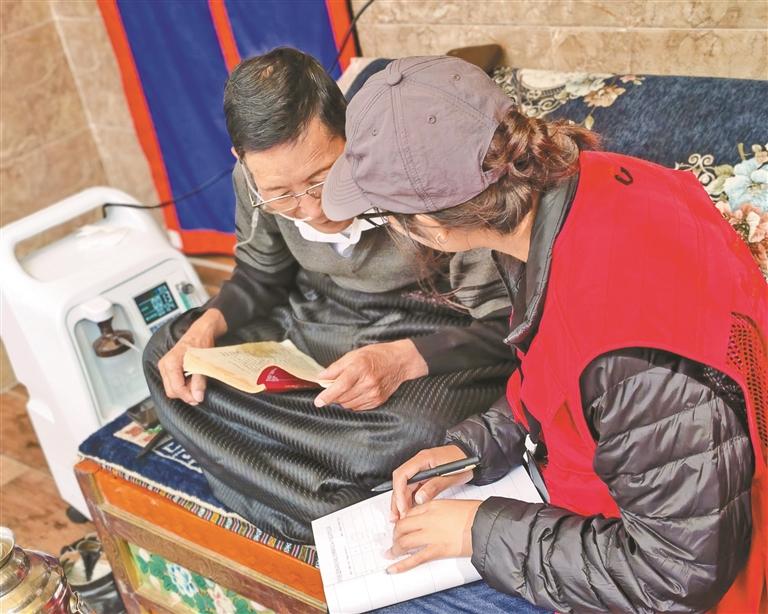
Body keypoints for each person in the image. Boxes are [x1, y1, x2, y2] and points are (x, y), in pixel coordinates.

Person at [322, 56, 767, 613]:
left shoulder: (629, 352)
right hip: (623, 503)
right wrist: (473, 446)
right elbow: (562, 374)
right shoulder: (586, 187)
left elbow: (675, 577)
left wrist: (479, 532)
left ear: (432, 225)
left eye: (386, 216)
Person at [143, 48, 516, 543]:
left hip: (431, 331)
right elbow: (261, 275)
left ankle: (281, 488)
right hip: (321, 321)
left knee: (410, 434)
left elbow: (508, 325)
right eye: (282, 194)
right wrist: (206, 326)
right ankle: (333, 507)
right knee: (167, 354)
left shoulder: (411, 164)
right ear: (242, 162)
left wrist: (401, 360)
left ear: (350, 131)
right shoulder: (256, 182)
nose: (312, 209)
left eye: (322, 179)